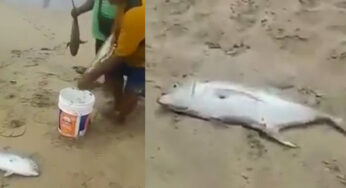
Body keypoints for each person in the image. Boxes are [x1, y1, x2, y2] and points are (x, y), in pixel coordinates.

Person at [78, 0, 145, 123]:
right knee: (113, 76)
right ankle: (117, 105)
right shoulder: (122, 5)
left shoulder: (137, 15)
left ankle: (122, 115)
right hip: (125, 46)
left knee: (131, 95)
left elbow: (118, 56)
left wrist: (91, 75)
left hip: (142, 60)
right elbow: (115, 32)